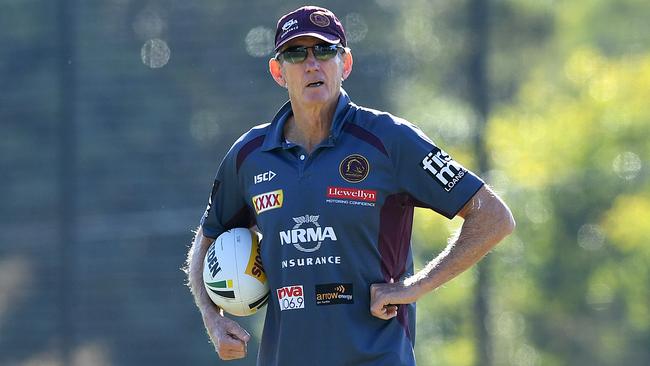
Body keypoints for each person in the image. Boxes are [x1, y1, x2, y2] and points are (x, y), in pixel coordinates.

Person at [186, 5, 515, 366]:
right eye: (296, 53)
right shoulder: (249, 155)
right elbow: (207, 239)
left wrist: (415, 286)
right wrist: (211, 318)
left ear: (345, 64)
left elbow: (493, 217)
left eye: (325, 51)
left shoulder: (390, 140)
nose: (312, 64)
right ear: (278, 71)